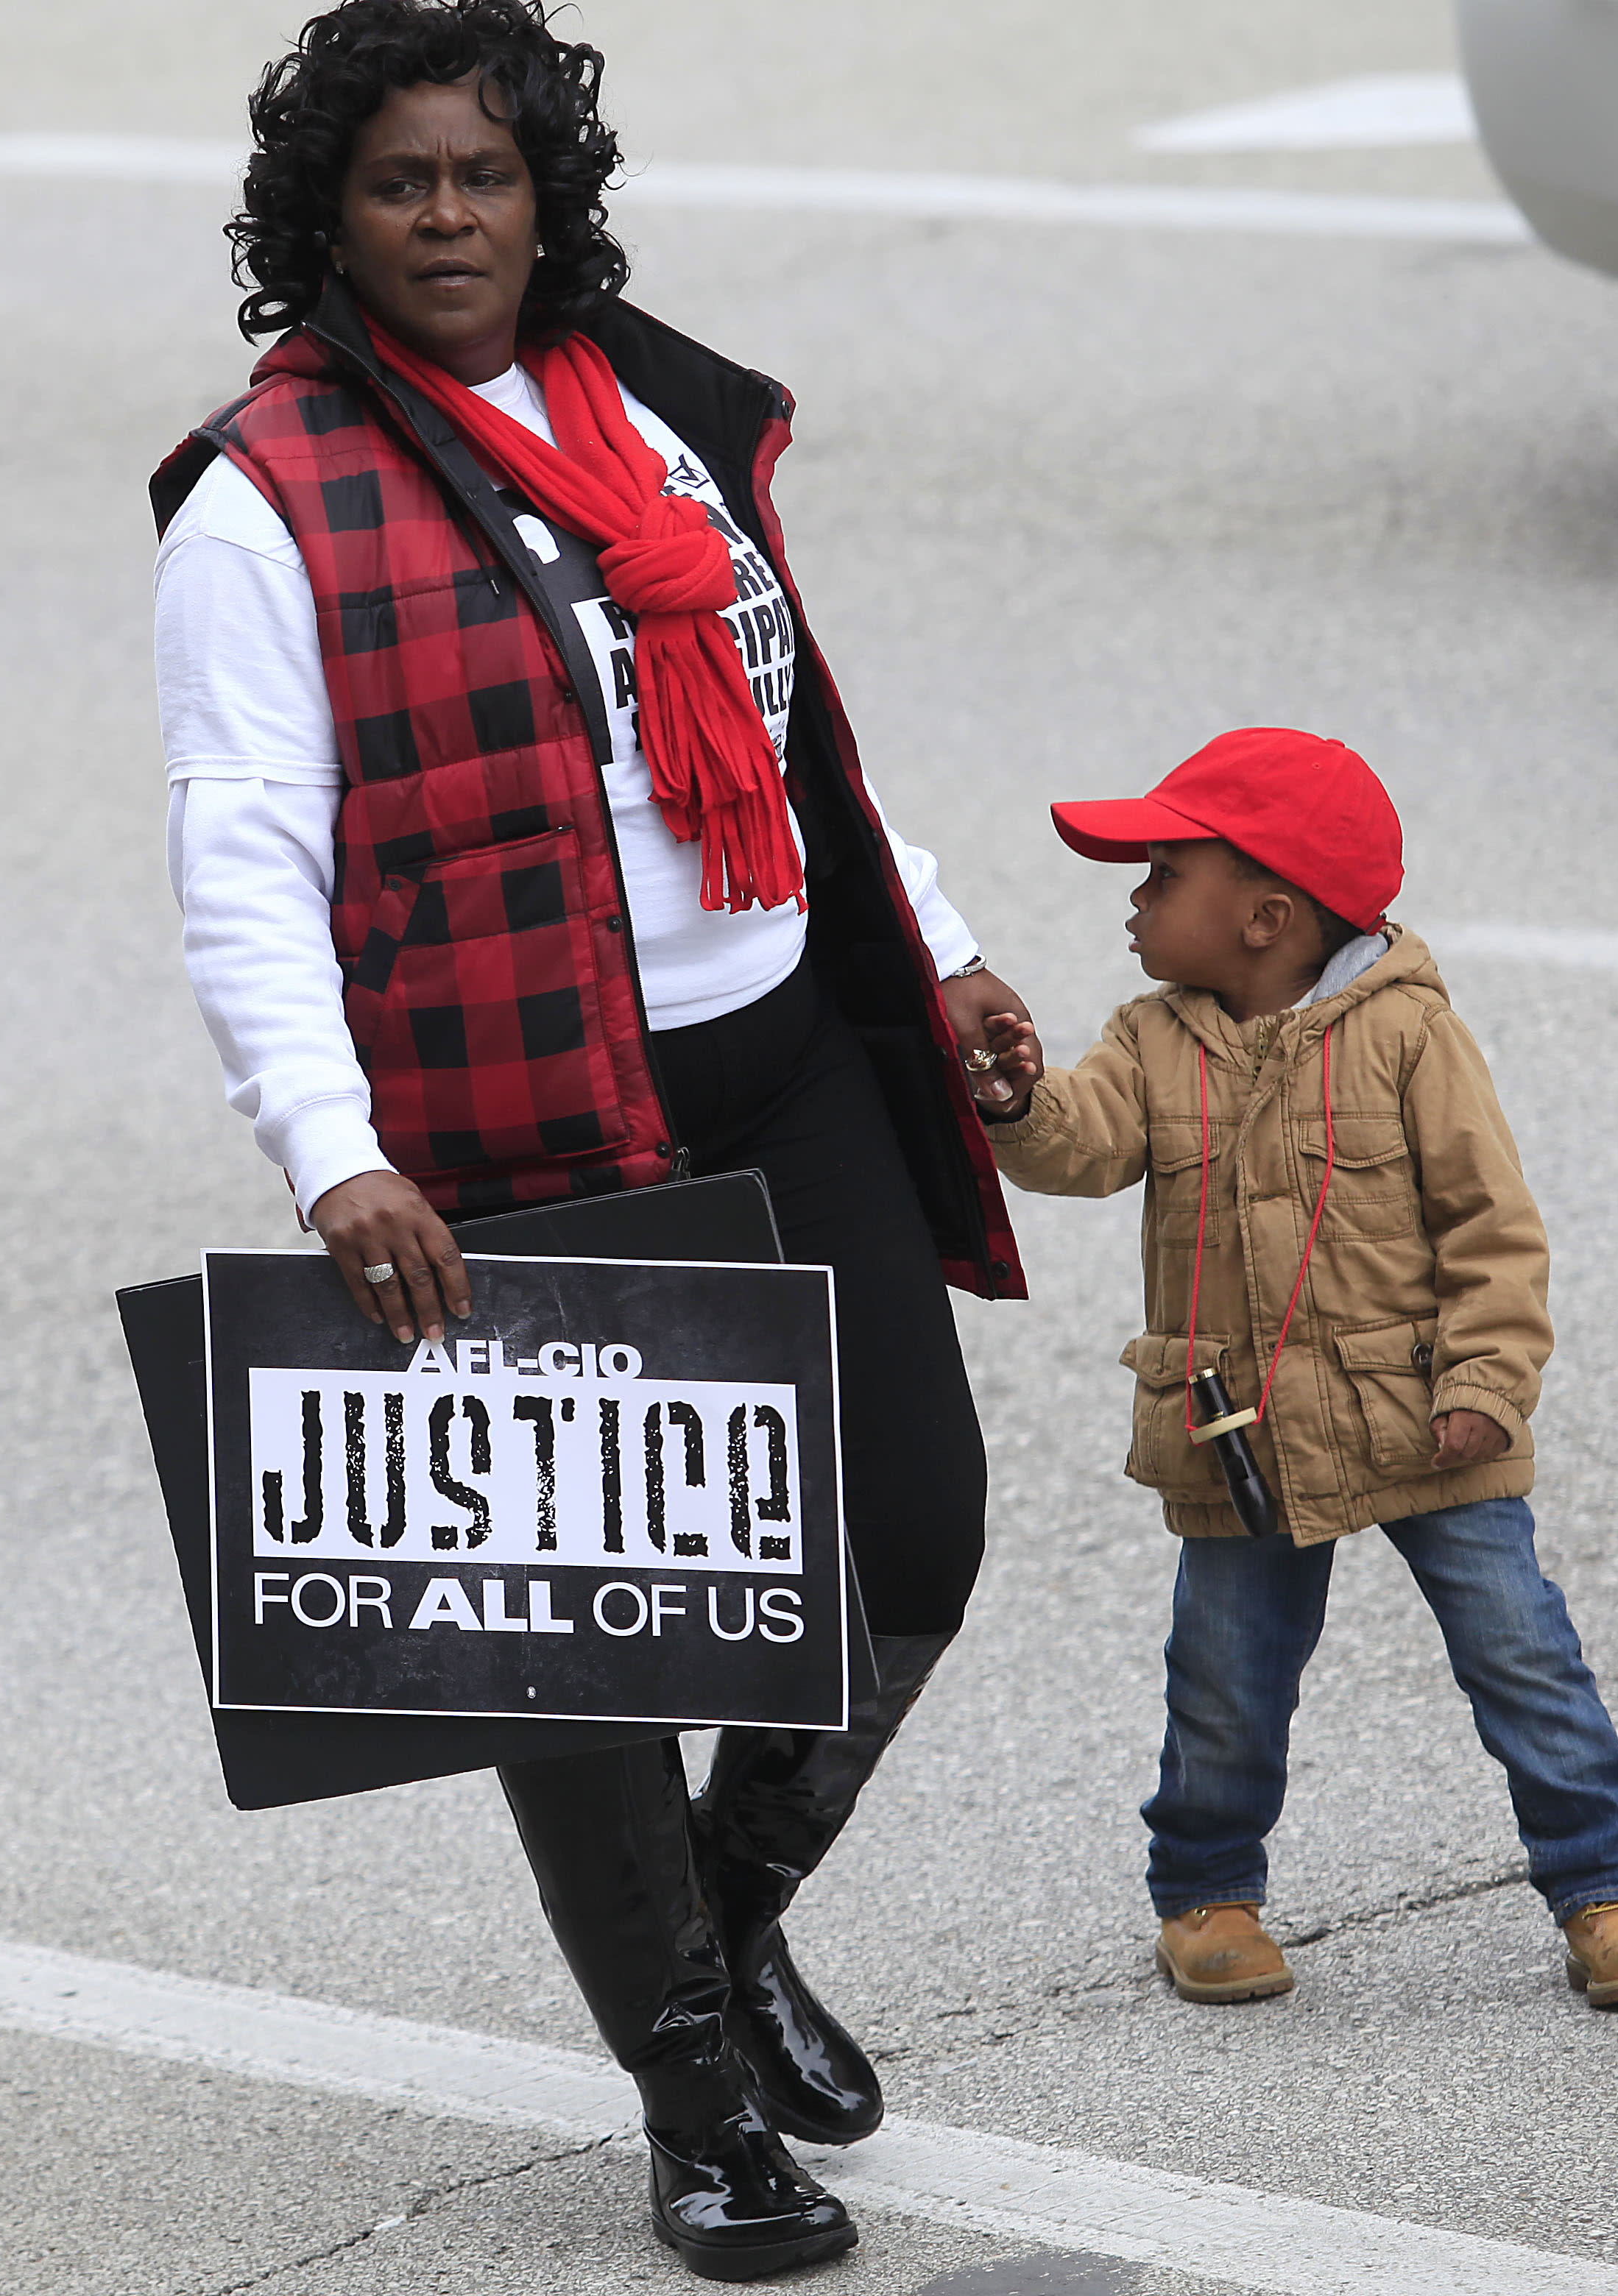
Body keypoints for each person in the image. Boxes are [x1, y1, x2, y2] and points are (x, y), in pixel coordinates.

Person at [151, 1, 1031, 2275]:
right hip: (510, 1114)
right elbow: (242, 846)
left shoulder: (640, 405)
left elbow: (779, 721)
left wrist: (925, 943)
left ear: (547, 190)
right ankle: (689, 2100)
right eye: (394, 184)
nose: (446, 216)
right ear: (321, 220)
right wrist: (332, 1152)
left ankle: (727, 1932)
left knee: (908, 1539)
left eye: (482, 174)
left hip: (776, 1054)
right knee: (581, 1642)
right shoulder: (268, 496)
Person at [972, 728, 1618, 2013]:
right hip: (1234, 1425)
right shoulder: (1149, 1040)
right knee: (1224, 1673)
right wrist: (1017, 1102)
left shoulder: (1411, 1036)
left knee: (1521, 1653)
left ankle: (1602, 1885)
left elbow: (1492, 1225)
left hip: (1421, 1415)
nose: (1130, 900)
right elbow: (1080, 1150)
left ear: (1263, 915)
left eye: (1156, 874)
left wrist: (1485, 1383)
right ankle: (1205, 1892)